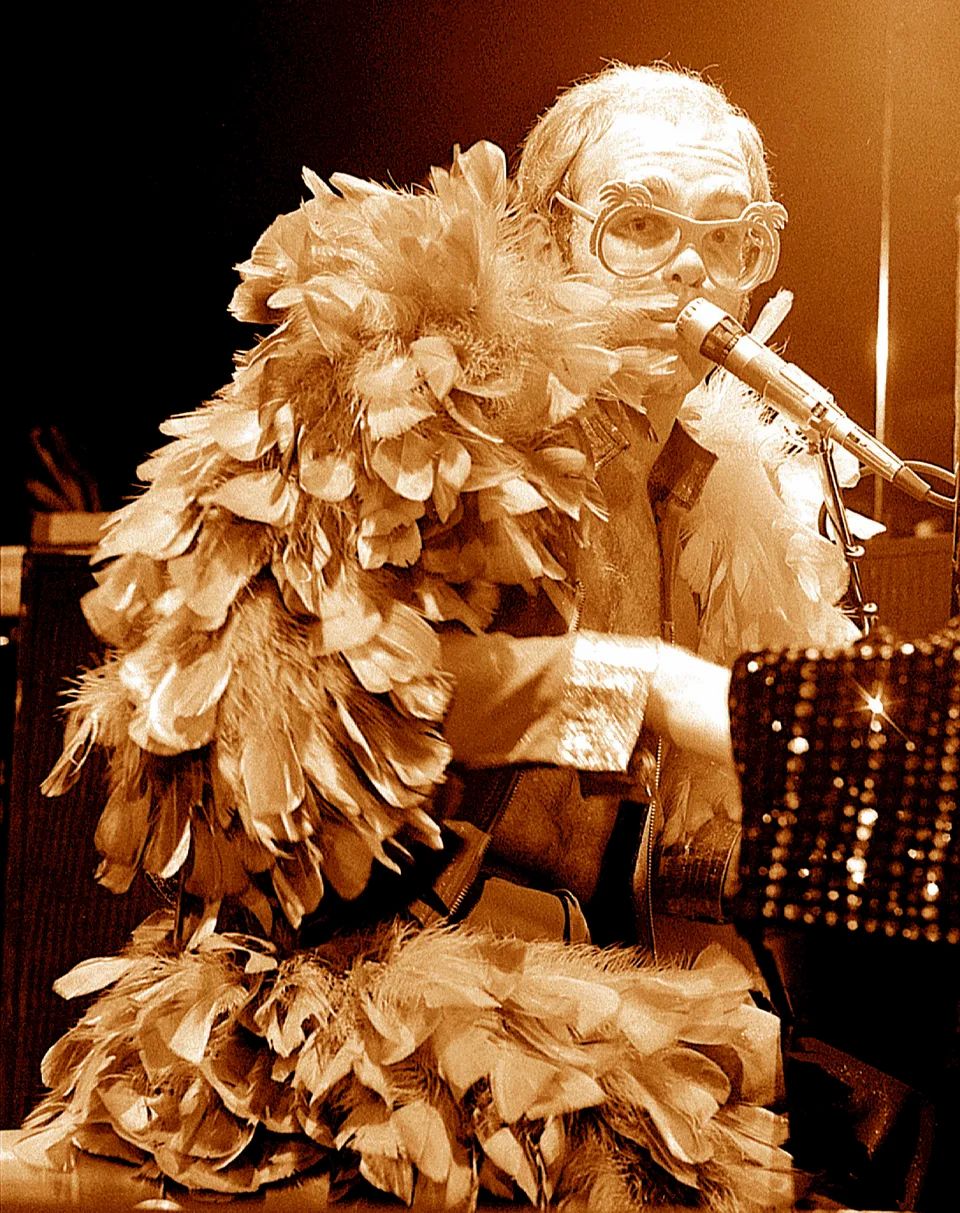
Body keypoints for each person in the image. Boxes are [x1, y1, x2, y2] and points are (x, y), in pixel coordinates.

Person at [24, 65, 859, 1211]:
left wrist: (724, 971)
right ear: (544, 240)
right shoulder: (417, 392)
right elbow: (278, 690)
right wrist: (642, 682)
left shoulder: (715, 491)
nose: (690, 268)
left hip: (598, 1011)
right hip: (350, 1012)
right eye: (640, 224)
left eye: (729, 236)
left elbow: (677, 859)